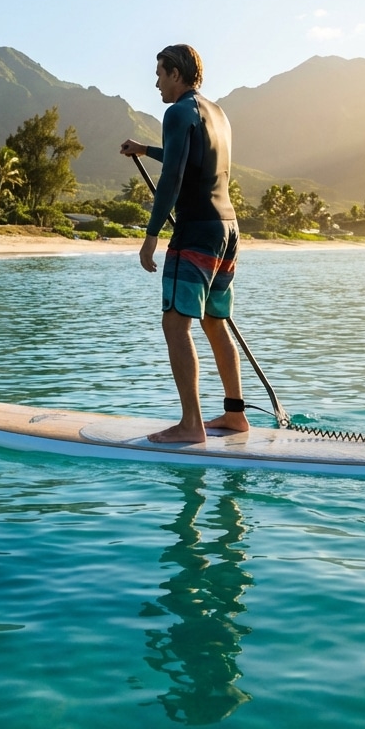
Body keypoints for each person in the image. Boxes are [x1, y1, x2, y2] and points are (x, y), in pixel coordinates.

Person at [120, 44, 247, 444]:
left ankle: (191, 424)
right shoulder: (218, 113)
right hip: (227, 229)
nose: (156, 83)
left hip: (195, 232)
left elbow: (174, 176)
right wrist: (145, 150)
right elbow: (192, 160)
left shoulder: (176, 112)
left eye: (160, 74)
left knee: (175, 323)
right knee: (214, 321)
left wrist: (151, 235)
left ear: (176, 73)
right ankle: (235, 415)